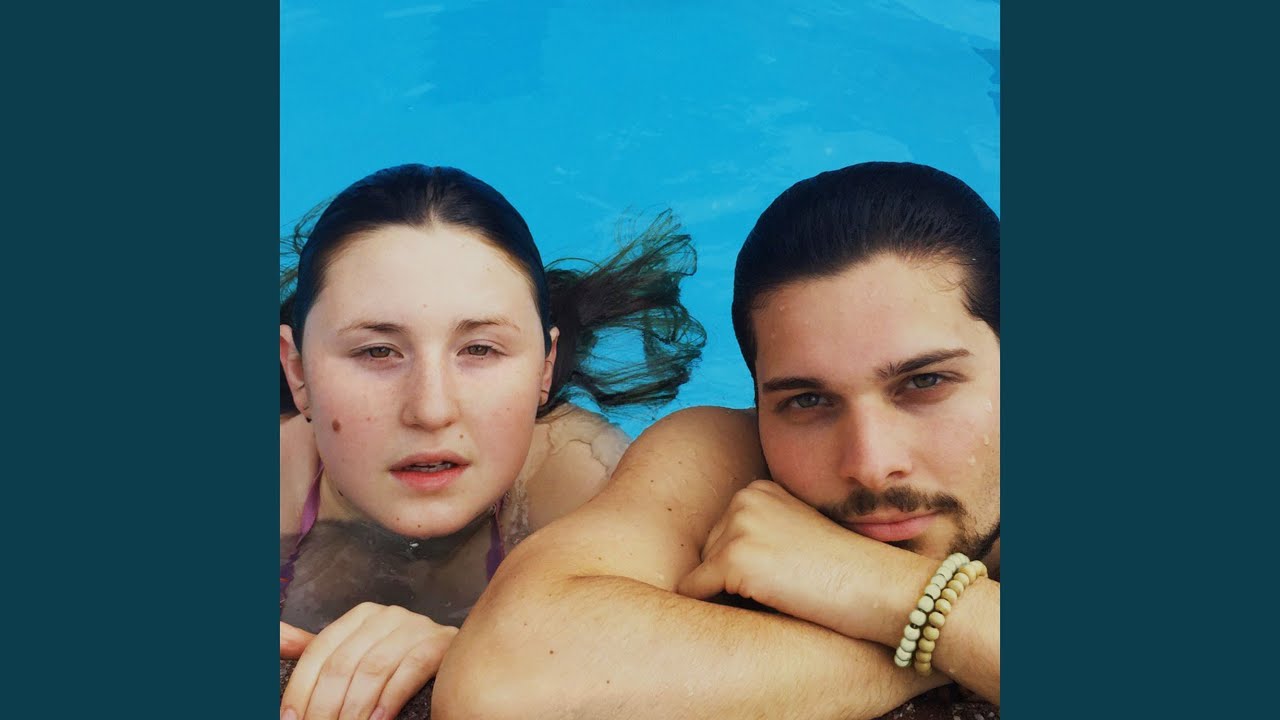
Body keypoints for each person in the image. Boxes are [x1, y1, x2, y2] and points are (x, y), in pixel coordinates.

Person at [434, 161, 1000, 719]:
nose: (871, 465)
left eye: (925, 383)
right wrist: (949, 648)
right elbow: (499, 684)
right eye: (808, 401)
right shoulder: (728, 457)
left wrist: (899, 598)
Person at [277, 163, 706, 720]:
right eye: (378, 352)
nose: (431, 410)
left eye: (479, 350)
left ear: (545, 367)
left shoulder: (589, 484)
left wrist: (474, 662)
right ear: (298, 371)